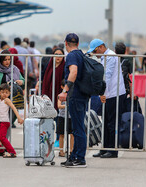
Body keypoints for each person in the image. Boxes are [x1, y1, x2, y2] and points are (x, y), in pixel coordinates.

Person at [88, 39, 126, 158]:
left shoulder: (110, 57)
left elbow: (107, 76)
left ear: (100, 47)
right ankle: (104, 148)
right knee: (105, 122)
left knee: (112, 123)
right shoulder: (105, 57)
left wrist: (101, 92)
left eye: (95, 51)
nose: (95, 54)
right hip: (108, 94)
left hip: (115, 94)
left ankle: (112, 150)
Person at [58, 33, 89, 168]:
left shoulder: (71, 55)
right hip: (82, 95)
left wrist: (65, 91)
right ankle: (74, 156)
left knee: (78, 128)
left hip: (75, 95)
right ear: (78, 43)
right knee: (77, 127)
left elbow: (74, 72)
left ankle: (80, 159)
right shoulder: (81, 54)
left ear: (65, 43)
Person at [0, 50, 25, 130]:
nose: (7, 62)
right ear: (1, 60)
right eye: (5, 60)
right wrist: (2, 88)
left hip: (12, 99)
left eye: (9, 59)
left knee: (7, 124)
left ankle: (3, 140)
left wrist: (21, 82)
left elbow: (22, 80)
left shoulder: (15, 69)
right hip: (0, 100)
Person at [0, 83, 24, 158]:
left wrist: (19, 118)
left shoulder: (7, 100)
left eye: (7, 92)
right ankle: (1, 151)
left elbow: (13, 107)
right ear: (0, 92)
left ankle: (12, 152)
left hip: (5, 122)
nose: (4, 94)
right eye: (3, 92)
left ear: (9, 93)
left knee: (2, 137)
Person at [57, 79, 74, 157]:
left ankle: (71, 150)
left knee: (72, 134)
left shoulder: (72, 95)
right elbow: (59, 106)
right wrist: (67, 106)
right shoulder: (60, 96)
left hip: (70, 117)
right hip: (62, 117)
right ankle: (61, 150)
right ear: (62, 87)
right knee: (61, 134)